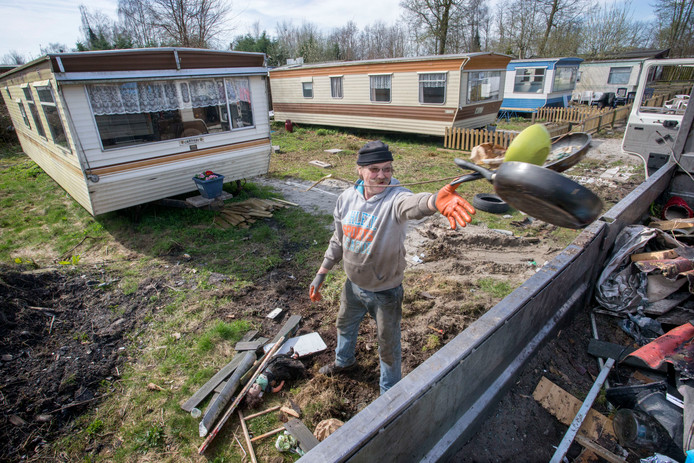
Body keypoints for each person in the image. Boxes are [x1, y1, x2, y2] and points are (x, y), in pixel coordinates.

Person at [309, 140, 475, 394]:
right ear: (360, 170)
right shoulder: (345, 199)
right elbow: (338, 239)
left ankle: (389, 392)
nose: (382, 175)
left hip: (386, 292)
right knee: (344, 325)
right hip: (352, 287)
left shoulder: (396, 197)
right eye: (374, 169)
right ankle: (344, 362)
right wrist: (322, 271)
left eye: (387, 168)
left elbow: (413, 204)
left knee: (388, 345)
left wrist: (433, 202)